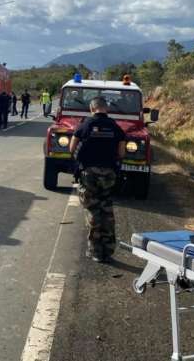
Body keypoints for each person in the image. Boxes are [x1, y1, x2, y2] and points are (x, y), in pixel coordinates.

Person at [69, 97, 126, 263]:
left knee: (93, 210)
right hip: (109, 175)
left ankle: (95, 251)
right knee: (106, 209)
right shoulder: (116, 128)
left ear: (91, 108)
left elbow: (72, 149)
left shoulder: (84, 126)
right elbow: (121, 154)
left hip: (89, 175)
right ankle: (108, 251)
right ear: (106, 108)